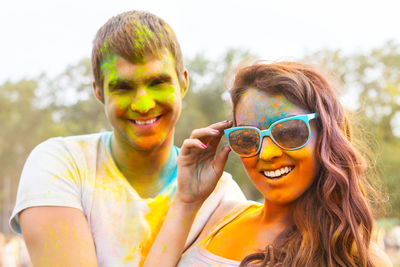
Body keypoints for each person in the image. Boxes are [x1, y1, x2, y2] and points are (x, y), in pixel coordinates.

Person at [9, 11, 245, 266]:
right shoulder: (61, 166)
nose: (143, 105)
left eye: (158, 82)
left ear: (183, 83)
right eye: (122, 87)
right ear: (98, 91)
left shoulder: (220, 195)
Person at [143, 61, 393, 266]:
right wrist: (186, 200)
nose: (267, 153)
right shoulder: (220, 216)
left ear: (326, 136)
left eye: (289, 132)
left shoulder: (353, 255)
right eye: (247, 138)